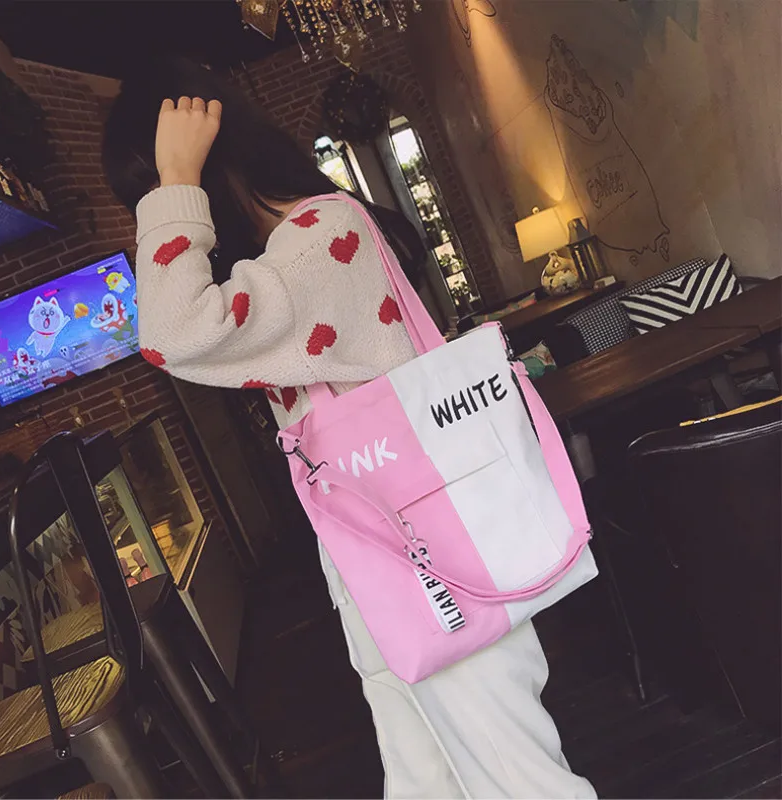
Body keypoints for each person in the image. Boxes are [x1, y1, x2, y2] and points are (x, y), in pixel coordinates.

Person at [103, 58, 596, 800]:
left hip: (424, 543)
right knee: (424, 770)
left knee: (519, 780)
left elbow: (173, 331)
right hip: (385, 542)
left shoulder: (319, 235)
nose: (157, 215)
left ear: (206, 167)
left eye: (156, 196)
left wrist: (175, 177)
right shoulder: (296, 249)